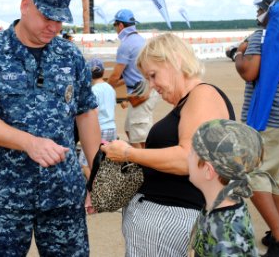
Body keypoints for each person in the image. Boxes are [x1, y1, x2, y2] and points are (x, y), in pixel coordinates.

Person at [0, 0, 101, 256]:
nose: (55, 27)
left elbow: (86, 112)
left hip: (63, 191)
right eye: (48, 17)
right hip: (4, 194)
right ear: (25, 5)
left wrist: (97, 175)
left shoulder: (69, 55)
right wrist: (28, 142)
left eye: (61, 21)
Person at [101, 33, 235, 256]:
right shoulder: (191, 100)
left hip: (169, 218)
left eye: (153, 75)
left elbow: (188, 159)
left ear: (175, 60)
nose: (152, 86)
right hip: (161, 217)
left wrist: (128, 153)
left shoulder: (202, 95)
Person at [235, 0, 279, 256]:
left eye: (259, 10)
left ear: (269, 11)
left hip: (269, 117)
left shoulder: (259, 37)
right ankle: (277, 232)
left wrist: (238, 55)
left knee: (253, 173)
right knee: (277, 172)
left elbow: (250, 72)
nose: (256, 15)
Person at [188, 119, 266, 256]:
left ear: (208, 170)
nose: (187, 157)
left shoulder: (226, 239)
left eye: (192, 153)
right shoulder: (216, 204)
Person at [107, 9, 159, 149]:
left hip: (142, 93)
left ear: (121, 26)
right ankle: (142, 163)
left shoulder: (126, 45)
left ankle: (144, 168)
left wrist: (103, 87)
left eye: (115, 26)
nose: (115, 29)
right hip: (146, 90)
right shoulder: (141, 41)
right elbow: (132, 73)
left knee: (139, 138)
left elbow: (115, 75)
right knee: (130, 130)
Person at [79, 58, 117, 179]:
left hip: (100, 129)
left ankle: (94, 190)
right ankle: (106, 188)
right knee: (106, 162)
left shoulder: (93, 90)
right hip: (112, 128)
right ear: (104, 72)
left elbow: (93, 112)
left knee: (85, 163)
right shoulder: (110, 88)